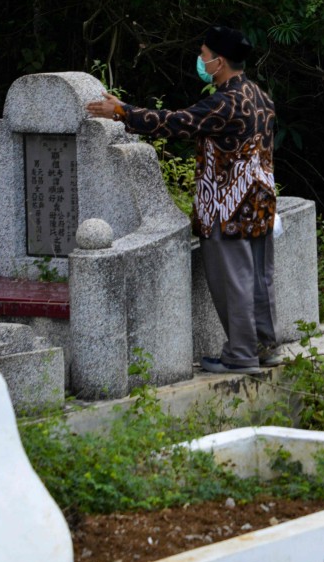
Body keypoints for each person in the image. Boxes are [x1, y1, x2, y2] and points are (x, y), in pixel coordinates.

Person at [86, 25, 278, 375]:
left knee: (233, 282)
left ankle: (241, 355)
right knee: (258, 281)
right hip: (260, 203)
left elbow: (177, 122)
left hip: (227, 207)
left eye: (204, 55)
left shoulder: (226, 102)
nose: (201, 61)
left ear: (219, 61)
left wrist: (123, 111)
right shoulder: (260, 95)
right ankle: (264, 346)